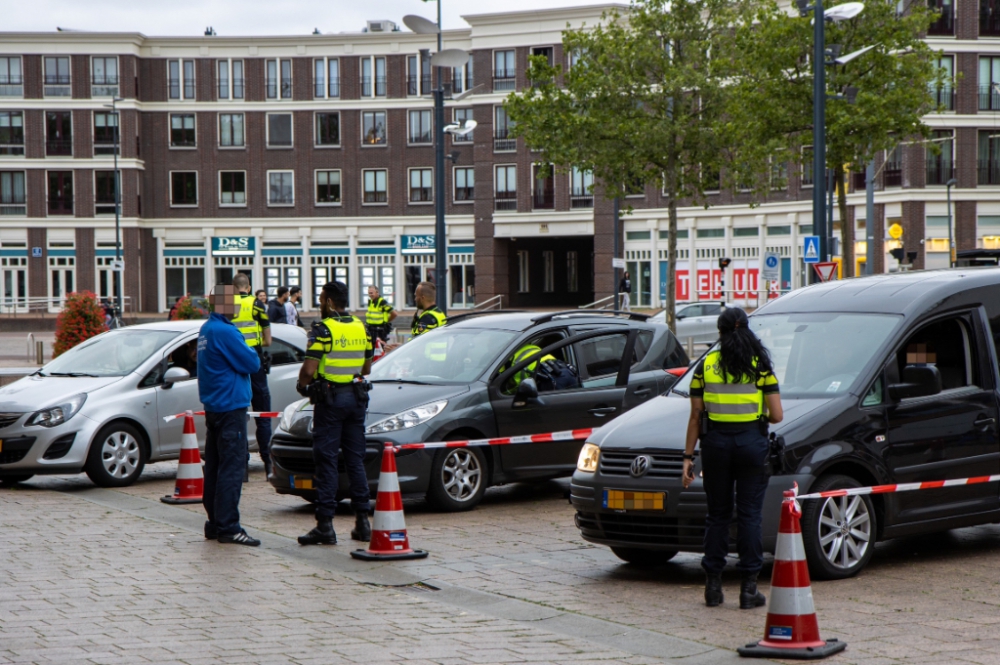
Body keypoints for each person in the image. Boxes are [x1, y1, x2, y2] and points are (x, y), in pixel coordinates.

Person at [682, 307, 782, 610]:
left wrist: (688, 457)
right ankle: (749, 588)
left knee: (718, 514)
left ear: (720, 331)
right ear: (746, 329)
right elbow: (777, 415)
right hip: (752, 444)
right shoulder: (760, 365)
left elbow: (696, 416)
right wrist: (756, 418)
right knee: (750, 514)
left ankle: (713, 587)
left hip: (715, 446)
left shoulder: (705, 366)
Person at [296, 280, 374, 546]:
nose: (319, 303)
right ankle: (363, 523)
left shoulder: (322, 330)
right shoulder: (362, 326)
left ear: (329, 302)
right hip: (356, 398)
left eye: (320, 298)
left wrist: (302, 385)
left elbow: (308, 369)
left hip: (330, 401)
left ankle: (325, 525)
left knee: (326, 461)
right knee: (355, 460)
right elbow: (366, 368)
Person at [197, 284, 262, 547]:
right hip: (230, 408)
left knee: (214, 467)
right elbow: (252, 363)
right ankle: (229, 527)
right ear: (223, 305)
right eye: (234, 303)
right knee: (232, 468)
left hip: (214, 408)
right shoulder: (226, 332)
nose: (237, 307)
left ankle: (214, 522)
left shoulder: (207, 329)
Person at [231, 273, 273, 478]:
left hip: (232, 361)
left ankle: (242, 467)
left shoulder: (226, 304)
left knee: (237, 414)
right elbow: (268, 340)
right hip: (253, 358)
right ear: (248, 287)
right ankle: (268, 465)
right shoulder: (256, 304)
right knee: (263, 413)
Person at [411, 281, 448, 361]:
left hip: (426, 362)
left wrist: (399, 349)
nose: (415, 299)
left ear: (423, 298)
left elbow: (418, 344)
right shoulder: (439, 313)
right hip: (437, 361)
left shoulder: (427, 318)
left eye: (416, 296)